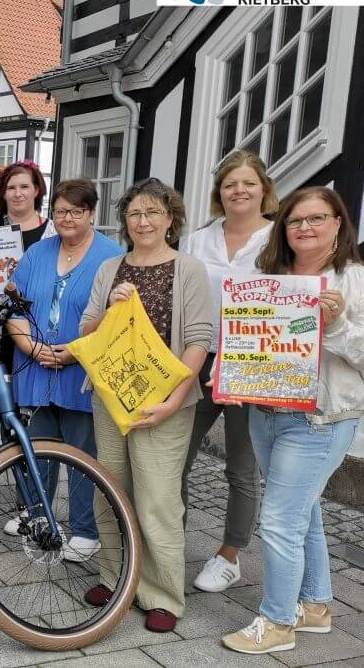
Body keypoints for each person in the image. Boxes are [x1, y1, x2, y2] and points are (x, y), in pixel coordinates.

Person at [222, 187, 364, 654]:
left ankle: (278, 623)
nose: (304, 227)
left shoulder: (354, 281)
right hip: (266, 413)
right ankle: (317, 607)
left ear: (338, 223)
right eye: (295, 220)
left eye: (316, 218)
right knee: (307, 515)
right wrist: (231, 373)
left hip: (320, 421)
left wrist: (338, 325)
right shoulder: (273, 276)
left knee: (281, 520)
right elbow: (251, 336)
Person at [80, 178, 213, 633]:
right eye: (135, 214)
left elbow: (199, 341)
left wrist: (174, 401)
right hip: (112, 397)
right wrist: (109, 311)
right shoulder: (111, 268)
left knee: (156, 499)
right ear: (125, 221)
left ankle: (161, 594)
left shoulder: (188, 269)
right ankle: (115, 576)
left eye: (153, 212)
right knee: (111, 490)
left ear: (171, 219)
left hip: (164, 401)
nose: (143, 221)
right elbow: (87, 330)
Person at [4, 179, 123, 562]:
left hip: (83, 371)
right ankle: (37, 517)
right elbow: (15, 305)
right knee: (37, 447)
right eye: (59, 212)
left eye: (75, 211)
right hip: (36, 366)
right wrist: (29, 345)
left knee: (83, 453)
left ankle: (86, 531)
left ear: (91, 213)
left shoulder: (112, 257)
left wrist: (74, 352)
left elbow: (117, 319)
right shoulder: (38, 252)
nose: (66, 218)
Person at [179, 150, 276, 592]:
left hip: (250, 365)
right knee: (174, 457)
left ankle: (229, 555)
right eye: (230, 184)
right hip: (197, 359)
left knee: (241, 465)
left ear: (263, 189)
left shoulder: (277, 239)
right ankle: (167, 540)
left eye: (247, 183)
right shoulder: (199, 241)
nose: (239, 191)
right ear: (220, 192)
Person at [0, 159, 58, 466]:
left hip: (32, 329)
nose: (18, 194)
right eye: (11, 188)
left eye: (24, 187)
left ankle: (22, 470)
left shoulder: (52, 232)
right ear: (2, 194)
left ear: (37, 190)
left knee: (24, 404)